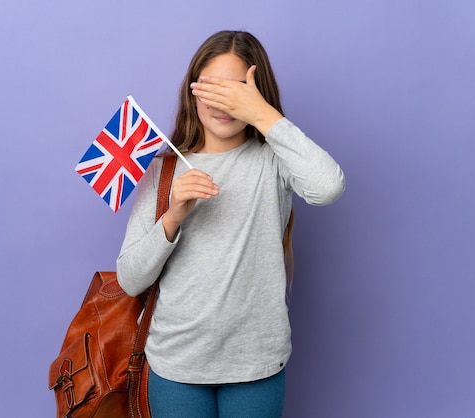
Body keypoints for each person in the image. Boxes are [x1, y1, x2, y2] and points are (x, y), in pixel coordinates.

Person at [117, 30, 345, 418]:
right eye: (213, 89)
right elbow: (130, 280)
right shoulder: (163, 169)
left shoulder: (274, 160)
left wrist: (262, 114)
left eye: (238, 91)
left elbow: (327, 188)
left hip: (256, 363)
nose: (225, 103)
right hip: (176, 364)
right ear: (194, 92)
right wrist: (172, 216)